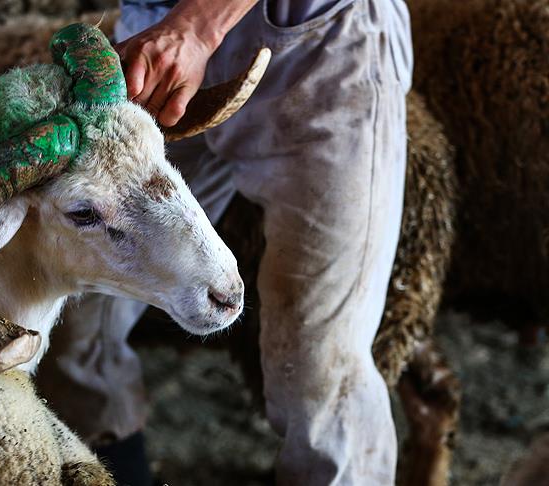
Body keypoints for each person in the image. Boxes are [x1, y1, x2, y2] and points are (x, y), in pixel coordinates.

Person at [35, 0, 414, 484]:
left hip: (318, 50)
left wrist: (196, 26)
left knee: (318, 360)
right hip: (154, 59)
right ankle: (116, 470)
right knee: (76, 308)